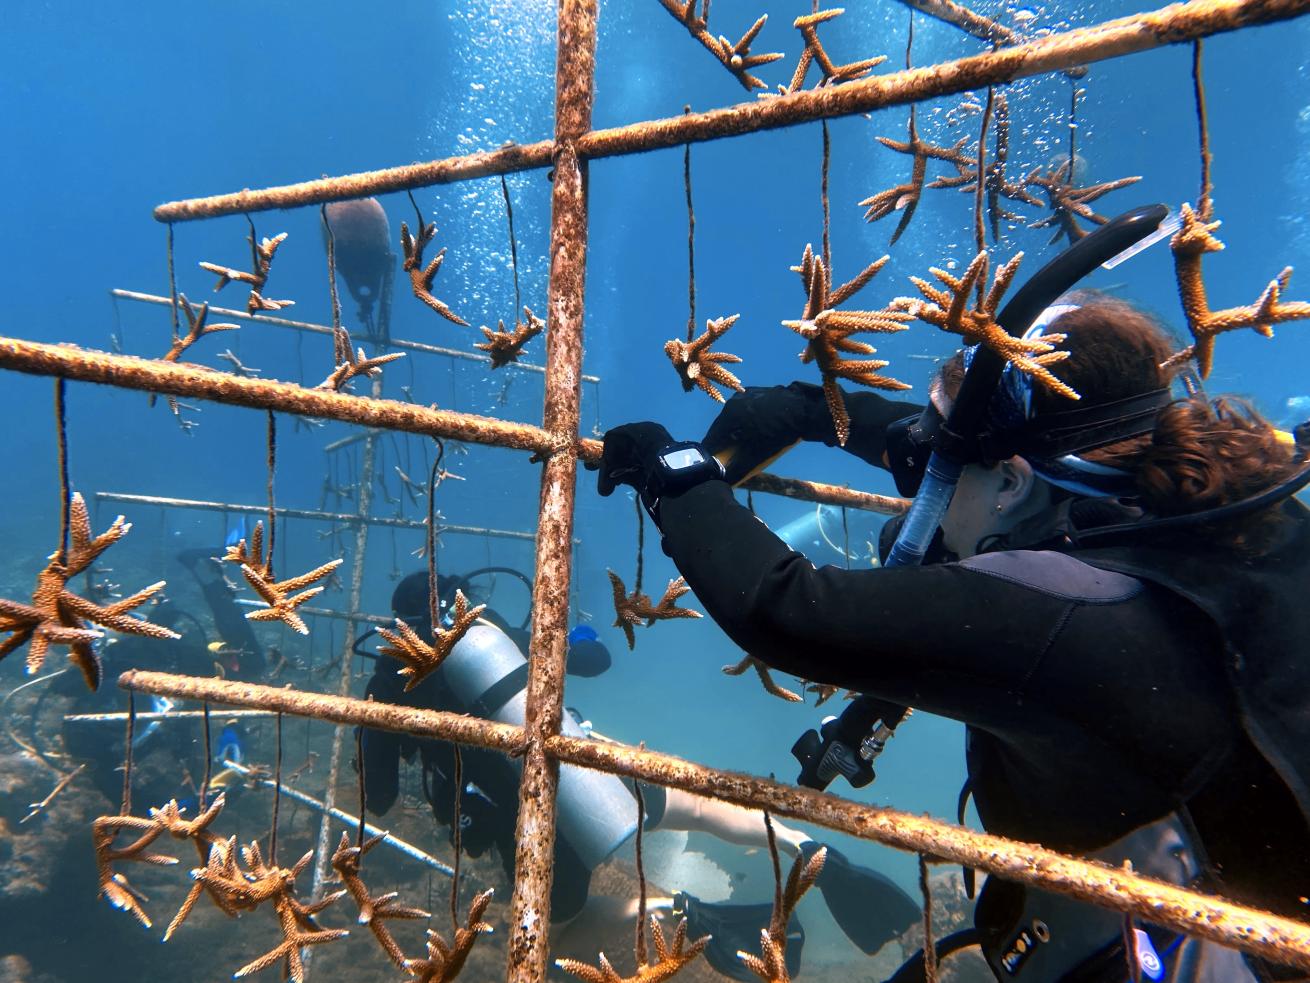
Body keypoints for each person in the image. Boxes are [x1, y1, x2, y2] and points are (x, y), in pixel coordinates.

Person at [595, 272, 1310, 981]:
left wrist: (677, 476)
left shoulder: (1062, 612)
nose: (921, 469)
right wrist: (804, 409)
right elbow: (945, 451)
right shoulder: (1198, 503)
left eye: (943, 457)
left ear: (1011, 482)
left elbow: (787, 611)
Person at [359, 570, 921, 979]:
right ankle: (813, 852)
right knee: (698, 807)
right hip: (588, 768)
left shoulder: (390, 679)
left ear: (397, 625)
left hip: (530, 820)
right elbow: (588, 660)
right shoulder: (493, 630)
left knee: (560, 935)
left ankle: (687, 915)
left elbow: (378, 798)